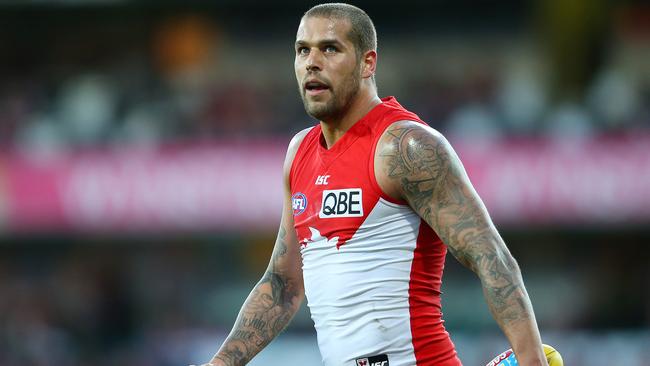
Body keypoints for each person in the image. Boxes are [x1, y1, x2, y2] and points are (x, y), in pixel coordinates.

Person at [200, 3, 548, 366]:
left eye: (329, 48)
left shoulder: (404, 148)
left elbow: (490, 256)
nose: (311, 62)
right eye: (303, 50)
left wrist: (531, 359)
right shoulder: (298, 152)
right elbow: (282, 285)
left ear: (368, 63)